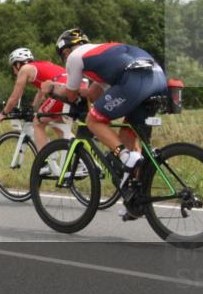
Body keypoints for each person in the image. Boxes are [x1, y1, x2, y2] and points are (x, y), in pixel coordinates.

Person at [45, 28, 168, 218]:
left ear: (66, 51)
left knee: (93, 120)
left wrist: (52, 88)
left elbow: (70, 95)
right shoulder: (102, 55)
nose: (64, 60)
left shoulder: (74, 57)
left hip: (135, 78)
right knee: (128, 135)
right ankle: (135, 200)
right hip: (158, 77)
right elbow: (94, 94)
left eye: (62, 56)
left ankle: (126, 157)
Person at [0, 48, 72, 151]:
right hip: (74, 87)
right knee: (56, 122)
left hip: (62, 91)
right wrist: (33, 107)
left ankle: (43, 162)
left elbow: (15, 96)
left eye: (13, 68)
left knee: (37, 122)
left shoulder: (25, 69)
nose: (14, 72)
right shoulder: (43, 64)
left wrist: (3, 113)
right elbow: (41, 91)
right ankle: (81, 156)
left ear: (17, 64)